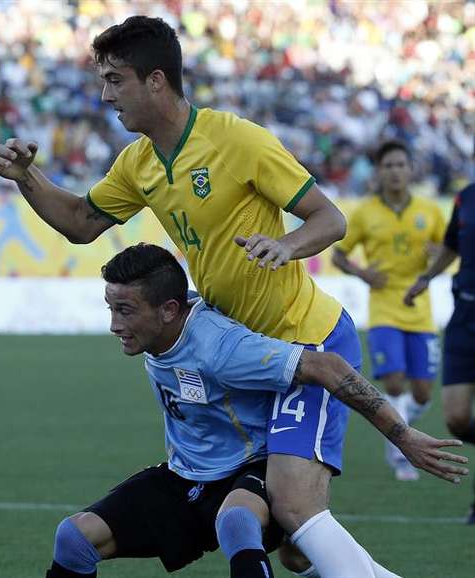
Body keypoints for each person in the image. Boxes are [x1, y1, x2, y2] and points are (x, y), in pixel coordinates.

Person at [0, 15, 384, 576]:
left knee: (292, 507)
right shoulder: (139, 162)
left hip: (305, 333)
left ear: (155, 80)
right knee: (293, 538)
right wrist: (29, 178)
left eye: (114, 80)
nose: (105, 96)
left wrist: (286, 246)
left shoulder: (236, 139)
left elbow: (330, 218)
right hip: (240, 344)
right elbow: (79, 223)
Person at [45, 243, 467, 578]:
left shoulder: (221, 347)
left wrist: (404, 435)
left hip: (253, 470)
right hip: (186, 475)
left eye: (125, 311)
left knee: (236, 522)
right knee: (74, 539)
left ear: (170, 310)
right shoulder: (161, 319)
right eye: (111, 309)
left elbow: (327, 366)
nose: (114, 325)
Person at [332, 141, 447, 481]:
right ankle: (398, 448)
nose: (395, 171)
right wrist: (362, 273)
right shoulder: (366, 213)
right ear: (378, 173)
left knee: (424, 391)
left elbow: (448, 250)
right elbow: (339, 254)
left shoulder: (430, 211)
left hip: (420, 309)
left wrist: (436, 253)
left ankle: (403, 426)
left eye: (401, 165)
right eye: (389, 166)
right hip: (383, 310)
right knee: (395, 383)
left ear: (411, 170)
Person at [405, 182, 475, 522]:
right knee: (456, 418)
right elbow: (451, 245)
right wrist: (427, 277)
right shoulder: (466, 196)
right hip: (463, 315)